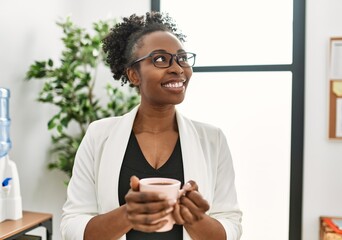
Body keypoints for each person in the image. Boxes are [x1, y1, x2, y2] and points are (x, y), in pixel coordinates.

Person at [60, 11, 242, 240]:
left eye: (182, 58)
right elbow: (72, 225)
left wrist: (196, 220)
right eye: (160, 59)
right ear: (134, 75)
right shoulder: (99, 135)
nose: (177, 68)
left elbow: (231, 226)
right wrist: (128, 215)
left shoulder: (213, 139)